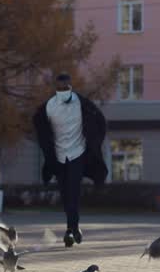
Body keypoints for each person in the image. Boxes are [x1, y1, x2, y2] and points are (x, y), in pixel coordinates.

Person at [33, 73, 107, 247]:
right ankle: (71, 228)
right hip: (58, 156)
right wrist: (47, 148)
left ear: (70, 86)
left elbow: (100, 122)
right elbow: (41, 128)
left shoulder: (83, 105)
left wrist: (94, 144)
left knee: (73, 191)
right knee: (65, 194)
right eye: (60, 88)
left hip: (77, 153)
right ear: (55, 88)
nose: (63, 90)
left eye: (66, 87)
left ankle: (72, 229)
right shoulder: (49, 107)